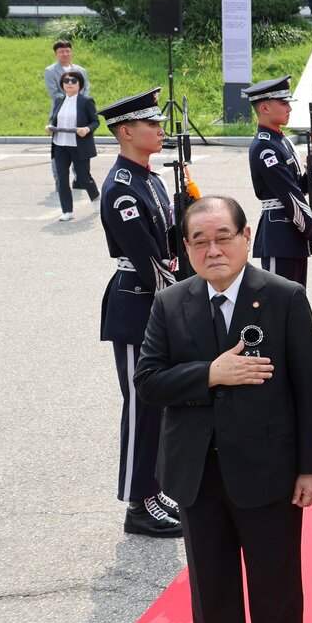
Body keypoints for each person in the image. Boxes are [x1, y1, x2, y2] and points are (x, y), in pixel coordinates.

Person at [134, 196, 312, 623]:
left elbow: (307, 387)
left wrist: (309, 467)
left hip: (269, 470)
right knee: (212, 592)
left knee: (275, 589)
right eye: (199, 241)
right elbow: (148, 381)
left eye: (223, 237)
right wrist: (209, 374)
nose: (213, 250)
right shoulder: (170, 301)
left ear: (246, 238)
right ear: (185, 248)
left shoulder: (284, 297)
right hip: (197, 475)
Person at [96, 89, 181, 537]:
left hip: (156, 300)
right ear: (127, 132)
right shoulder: (122, 189)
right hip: (137, 304)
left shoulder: (151, 179)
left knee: (158, 405)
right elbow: (149, 261)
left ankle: (153, 490)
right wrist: (183, 302)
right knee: (140, 404)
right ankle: (136, 503)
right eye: (152, 124)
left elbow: (170, 241)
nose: (160, 130)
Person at [244, 75, 312, 285]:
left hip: (293, 231)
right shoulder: (265, 147)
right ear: (264, 108)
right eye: (283, 103)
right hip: (279, 235)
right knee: (279, 303)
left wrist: (310, 177)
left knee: (295, 299)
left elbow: (296, 185)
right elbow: (288, 193)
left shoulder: (281, 141)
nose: (289, 109)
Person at [46, 70, 99, 220]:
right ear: (62, 84)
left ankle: (96, 197)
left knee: (83, 177)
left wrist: (87, 129)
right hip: (60, 145)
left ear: (80, 84)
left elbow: (95, 121)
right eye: (66, 81)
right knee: (62, 178)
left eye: (73, 81)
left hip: (78, 145)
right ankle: (67, 211)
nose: (69, 84)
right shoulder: (58, 100)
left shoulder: (86, 101)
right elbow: (53, 119)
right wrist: (49, 126)